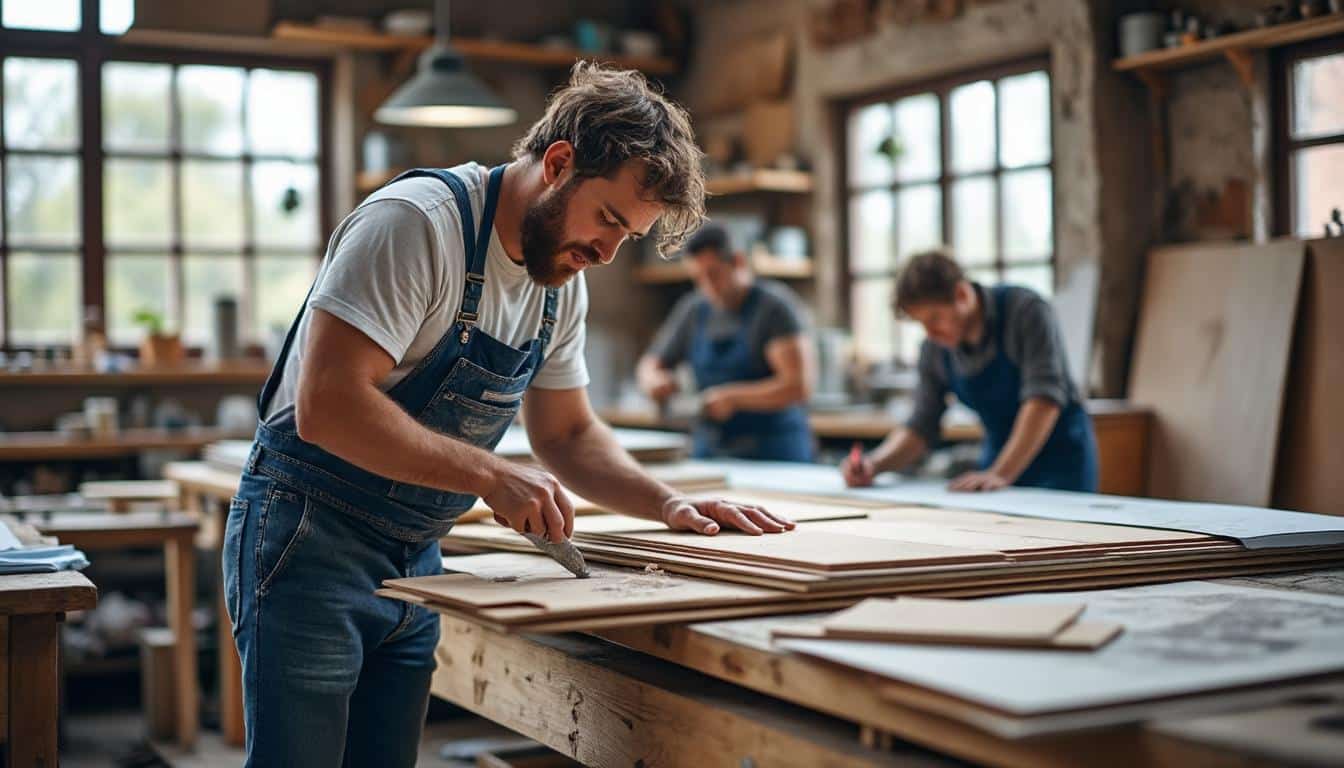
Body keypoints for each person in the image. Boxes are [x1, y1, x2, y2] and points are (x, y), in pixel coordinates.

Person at [224, 64, 795, 767]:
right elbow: (328, 406)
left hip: (413, 553)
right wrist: (493, 475)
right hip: (307, 537)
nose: (607, 253)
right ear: (558, 164)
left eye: (629, 238)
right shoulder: (417, 226)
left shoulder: (560, 282)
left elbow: (569, 433)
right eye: (609, 220)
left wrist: (668, 504)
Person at [841, 248, 1097, 492]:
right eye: (922, 325)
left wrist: (1000, 473)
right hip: (998, 459)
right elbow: (921, 426)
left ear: (962, 295)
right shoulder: (935, 348)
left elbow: (1043, 400)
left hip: (1061, 464)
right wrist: (874, 465)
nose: (930, 333)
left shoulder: (1025, 311)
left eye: (934, 319)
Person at [636, 224, 814, 461]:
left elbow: (797, 386)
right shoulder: (693, 310)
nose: (707, 286)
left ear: (738, 262)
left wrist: (733, 398)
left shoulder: (774, 309)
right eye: (698, 278)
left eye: (714, 274)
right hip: (711, 449)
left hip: (774, 451)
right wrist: (654, 381)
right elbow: (651, 364)